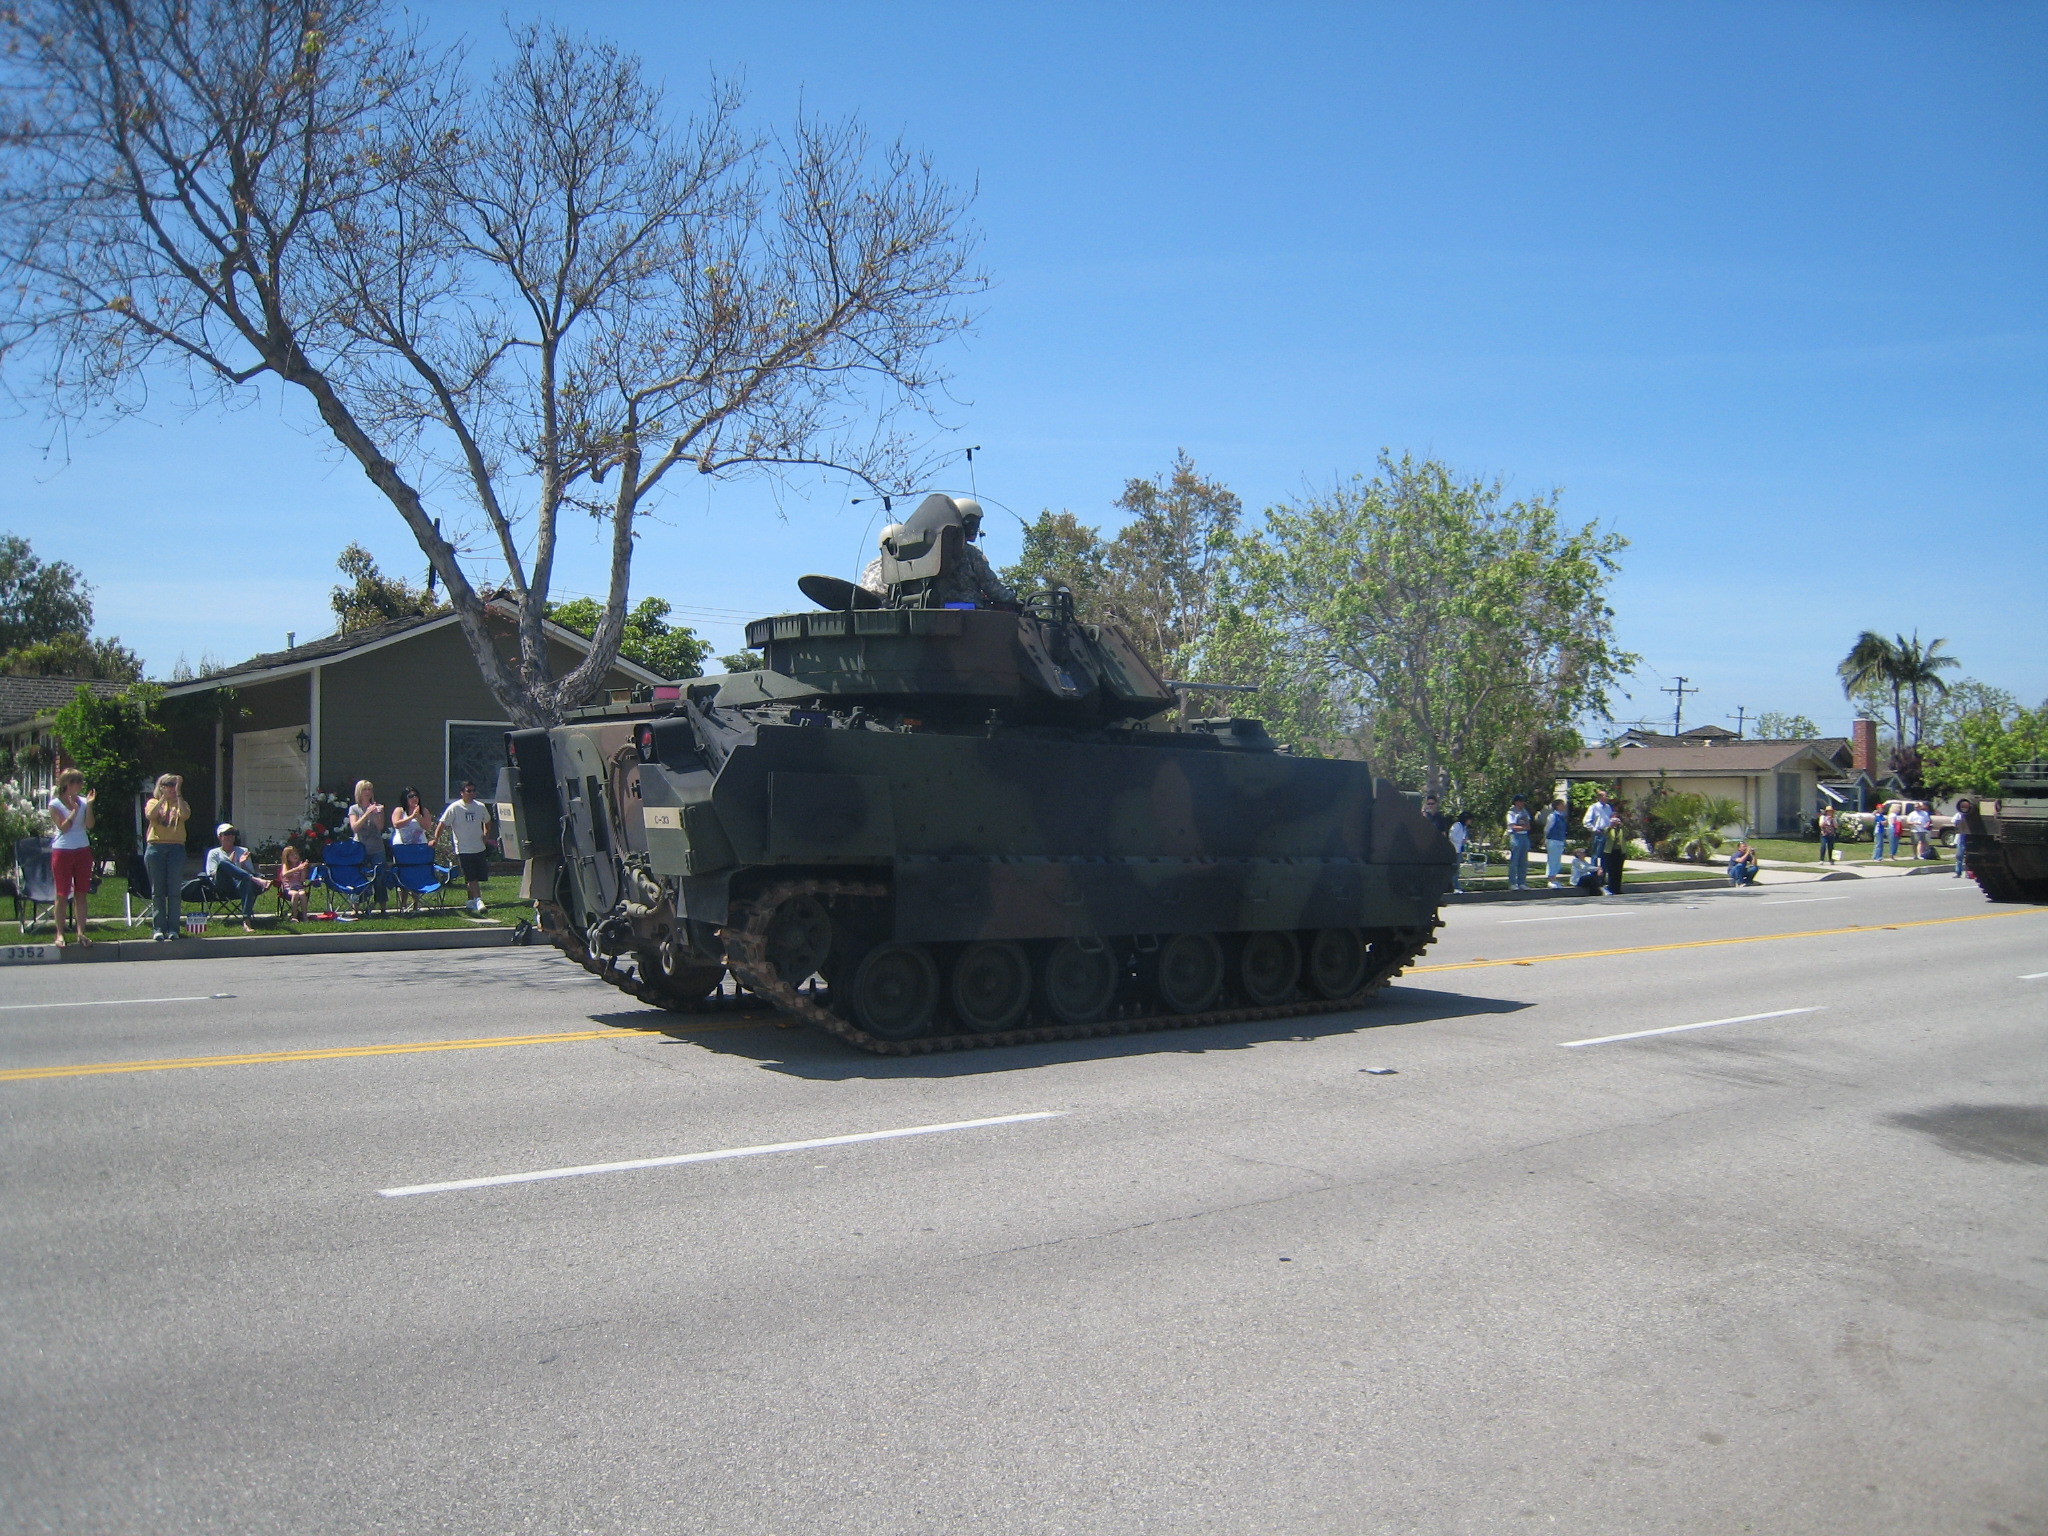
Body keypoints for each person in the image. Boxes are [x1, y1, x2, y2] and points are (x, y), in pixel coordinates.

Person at [859, 500, 1016, 607]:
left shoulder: (922, 552)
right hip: (968, 620)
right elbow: (993, 588)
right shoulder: (970, 554)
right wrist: (1014, 599)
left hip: (930, 619)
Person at [48, 767, 96, 947]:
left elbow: (90, 825)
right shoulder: (55, 804)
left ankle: (81, 932)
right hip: (63, 851)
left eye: (81, 781)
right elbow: (64, 827)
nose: (80, 785)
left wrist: (88, 806)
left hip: (82, 850)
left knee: (81, 893)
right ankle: (60, 933)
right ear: (67, 784)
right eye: (77, 782)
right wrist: (74, 811)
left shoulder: (84, 801)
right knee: (62, 893)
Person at [143, 773, 191, 941]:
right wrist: (163, 799)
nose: (171, 788)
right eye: (167, 785)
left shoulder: (181, 803)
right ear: (161, 787)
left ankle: (173, 929)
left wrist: (177, 795)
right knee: (158, 891)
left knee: (174, 891)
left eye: (173, 785)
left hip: (176, 848)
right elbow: (151, 816)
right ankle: (158, 928)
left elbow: (185, 815)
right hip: (156, 847)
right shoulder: (153, 802)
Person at [436, 780, 495, 913]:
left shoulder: (480, 806)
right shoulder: (455, 808)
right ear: (462, 793)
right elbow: (442, 824)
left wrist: (486, 834)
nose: (472, 793)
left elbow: (488, 821)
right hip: (463, 848)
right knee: (470, 876)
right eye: (468, 791)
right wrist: (436, 839)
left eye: (473, 791)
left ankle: (471, 901)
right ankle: (479, 900)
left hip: (478, 847)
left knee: (474, 876)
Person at [205, 823, 273, 933]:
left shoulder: (242, 851)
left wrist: (242, 865)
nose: (230, 836)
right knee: (223, 864)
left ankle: (247, 921)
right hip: (222, 886)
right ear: (220, 836)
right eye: (227, 833)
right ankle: (257, 880)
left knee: (247, 881)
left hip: (239, 886)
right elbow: (212, 874)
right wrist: (230, 863)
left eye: (232, 833)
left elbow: (250, 872)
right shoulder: (214, 853)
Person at [390, 786, 435, 913]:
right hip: (402, 848)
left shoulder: (423, 811)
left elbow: (427, 826)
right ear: (405, 798)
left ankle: (416, 905)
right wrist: (411, 817)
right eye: (410, 796)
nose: (414, 798)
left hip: (419, 847)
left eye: (416, 795)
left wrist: (418, 816)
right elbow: (396, 824)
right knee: (403, 874)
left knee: (417, 874)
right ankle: (402, 905)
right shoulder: (400, 810)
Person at [347, 779, 389, 912]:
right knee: (358, 876)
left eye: (370, 789)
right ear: (359, 792)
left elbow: (380, 826)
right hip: (360, 848)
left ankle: (382, 907)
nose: (367, 792)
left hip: (376, 847)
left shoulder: (377, 807)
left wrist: (377, 813)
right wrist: (366, 813)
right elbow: (355, 827)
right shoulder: (354, 809)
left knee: (380, 876)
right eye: (365, 789)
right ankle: (357, 907)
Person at [277, 842, 311, 921]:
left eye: (296, 854)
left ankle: (304, 915)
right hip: (288, 888)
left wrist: (303, 870)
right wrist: (298, 868)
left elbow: (302, 880)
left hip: (298, 886)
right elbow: (285, 874)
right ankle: (294, 916)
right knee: (295, 894)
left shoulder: (300, 865)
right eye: (292, 855)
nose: (295, 856)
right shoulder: (286, 865)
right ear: (287, 857)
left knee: (302, 894)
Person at [1505, 795, 1533, 891]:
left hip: (1524, 836)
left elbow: (1528, 825)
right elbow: (1513, 826)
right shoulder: (1511, 813)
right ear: (1516, 802)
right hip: (1515, 837)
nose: (1522, 803)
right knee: (1515, 860)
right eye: (1521, 801)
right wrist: (1523, 827)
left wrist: (1523, 827)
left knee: (1523, 861)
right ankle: (1512, 883)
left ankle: (1522, 882)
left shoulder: (1525, 812)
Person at [1542, 796, 1570, 888]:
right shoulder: (1552, 816)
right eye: (1562, 805)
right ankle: (1550, 879)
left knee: (1557, 861)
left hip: (1559, 840)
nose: (1564, 806)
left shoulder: (1561, 816)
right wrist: (1545, 839)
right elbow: (1547, 828)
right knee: (1552, 860)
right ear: (1557, 806)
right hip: (1553, 840)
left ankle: (1554, 878)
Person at [1583, 789, 1615, 861]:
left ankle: (1603, 871)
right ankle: (1594, 871)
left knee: (1605, 854)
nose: (1607, 797)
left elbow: (1610, 818)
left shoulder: (1608, 807)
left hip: (1607, 832)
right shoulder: (1594, 807)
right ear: (1600, 797)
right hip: (1598, 833)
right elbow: (1586, 821)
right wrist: (1594, 830)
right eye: (1605, 796)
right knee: (1596, 854)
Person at [1600, 812, 1628, 895]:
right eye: (1613, 819)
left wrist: (1621, 825)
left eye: (1616, 819)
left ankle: (1618, 888)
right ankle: (1611, 888)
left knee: (1618, 871)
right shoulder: (1608, 828)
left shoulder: (1622, 829)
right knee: (1611, 870)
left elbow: (1627, 834)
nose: (1615, 821)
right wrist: (1610, 826)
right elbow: (1605, 834)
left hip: (1620, 851)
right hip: (1610, 851)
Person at [1447, 813, 1469, 892]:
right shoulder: (1457, 825)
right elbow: (1451, 836)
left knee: (1457, 869)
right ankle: (1453, 886)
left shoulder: (1464, 827)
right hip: (1454, 850)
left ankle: (1456, 886)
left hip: (1458, 850)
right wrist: (1461, 841)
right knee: (1454, 869)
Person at [1952, 798, 1973, 878]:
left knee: (1969, 856)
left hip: (1969, 836)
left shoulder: (1972, 815)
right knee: (1959, 856)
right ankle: (1958, 872)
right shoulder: (1959, 814)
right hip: (1961, 836)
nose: (1964, 808)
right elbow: (1954, 821)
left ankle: (1969, 873)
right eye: (1963, 807)